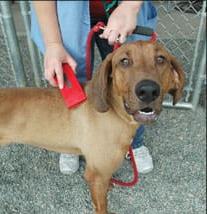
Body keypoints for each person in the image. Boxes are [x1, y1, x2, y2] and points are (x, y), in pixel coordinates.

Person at [30, 1, 157, 174]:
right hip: (66, 14)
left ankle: (134, 142)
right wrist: (53, 44)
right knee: (70, 77)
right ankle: (72, 143)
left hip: (122, 10)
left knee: (133, 78)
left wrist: (130, 6)